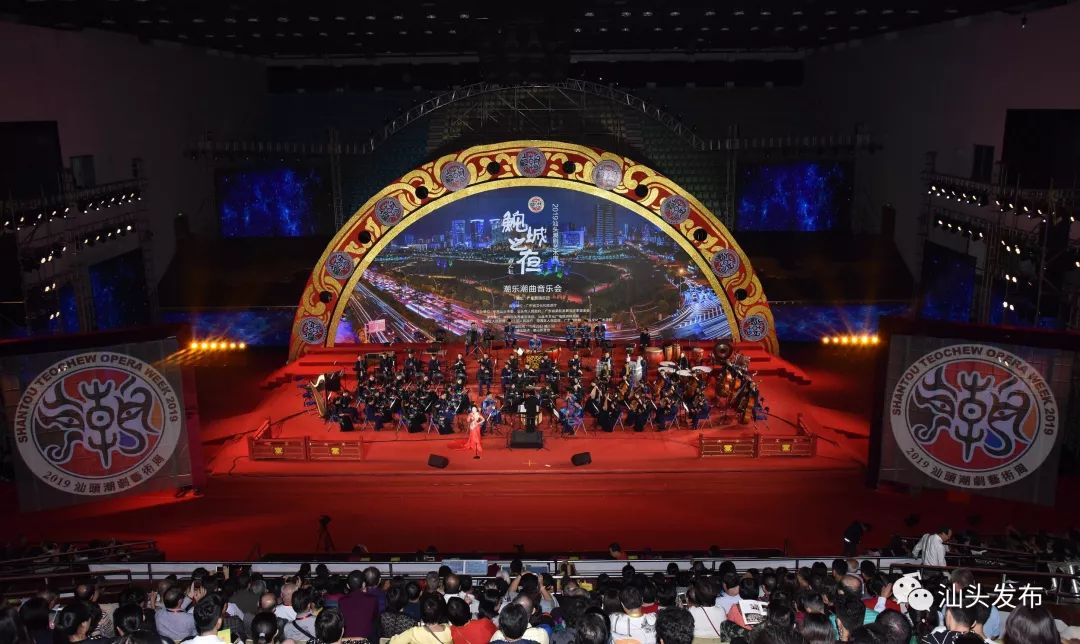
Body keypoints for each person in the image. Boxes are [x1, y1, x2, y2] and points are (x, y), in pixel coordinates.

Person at [338, 571, 379, 641]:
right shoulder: (372, 599)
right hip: (366, 639)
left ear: (348, 585)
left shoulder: (341, 601)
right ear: (363, 584)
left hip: (347, 640)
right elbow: (375, 617)